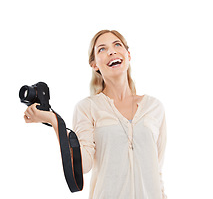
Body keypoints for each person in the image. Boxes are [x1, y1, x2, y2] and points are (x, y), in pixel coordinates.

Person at [24, 29, 168, 199]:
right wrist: (54, 121)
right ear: (94, 65)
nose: (112, 51)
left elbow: (156, 168)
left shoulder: (154, 107)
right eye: (102, 49)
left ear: (128, 55)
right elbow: (83, 164)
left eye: (117, 45)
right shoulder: (88, 108)